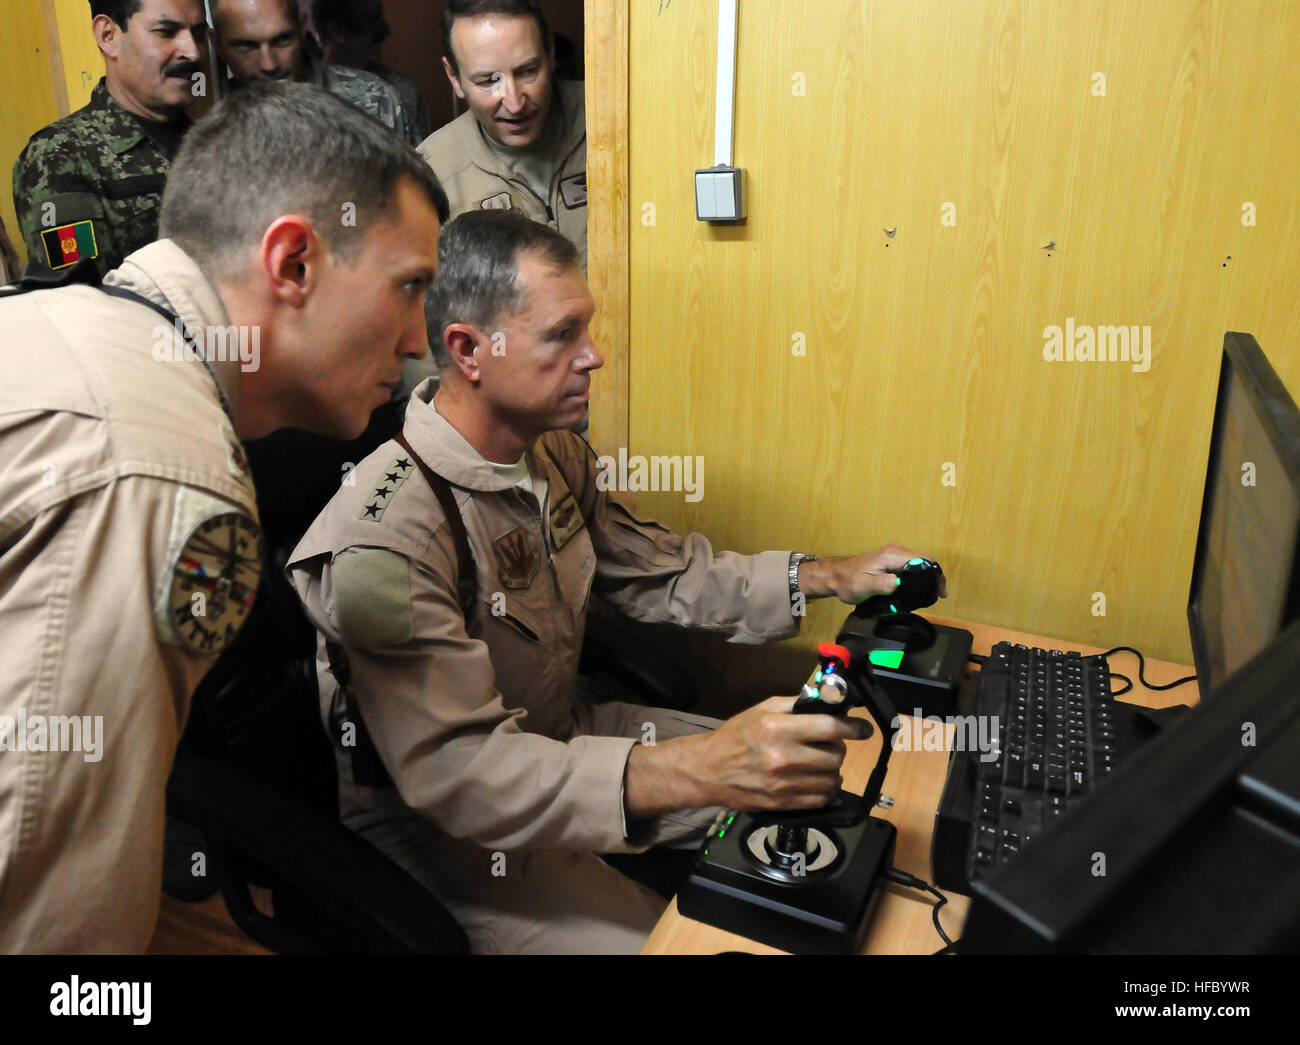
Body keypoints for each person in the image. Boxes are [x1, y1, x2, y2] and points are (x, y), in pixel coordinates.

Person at [287, 209, 947, 954]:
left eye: (587, 329)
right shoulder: (386, 538)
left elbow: (661, 570)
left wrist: (828, 574)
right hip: (449, 830)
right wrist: (699, 768)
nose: (594, 356)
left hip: (561, 738)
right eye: (562, 335)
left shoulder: (553, 454)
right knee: (678, 948)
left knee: (840, 792)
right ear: (470, 351)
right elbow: (463, 775)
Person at [0, 82, 447, 953]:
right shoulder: (160, 473)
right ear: (293, 264)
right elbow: (38, 888)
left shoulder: (65, 321)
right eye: (407, 287)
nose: (418, 338)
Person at [12, 0, 207, 277]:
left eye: (198, 34)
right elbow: (80, 303)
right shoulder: (59, 157)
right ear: (108, 36)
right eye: (166, 32)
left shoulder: (215, 142)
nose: (193, 52)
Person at [419, 0, 587, 271]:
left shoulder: (615, 120)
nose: (514, 103)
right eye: (488, 81)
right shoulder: (432, 177)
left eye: (527, 72)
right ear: (454, 77)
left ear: (551, 54)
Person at [210, 0, 416, 144]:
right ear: (218, 45)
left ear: (302, 29)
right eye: (247, 47)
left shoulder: (375, 100)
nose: (269, 64)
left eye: (282, 40)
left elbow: (415, 199)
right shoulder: (209, 119)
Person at [313, 0, 433, 143]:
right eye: (371, 20)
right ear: (337, 29)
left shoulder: (403, 90)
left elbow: (424, 160)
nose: (384, 32)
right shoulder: (306, 89)